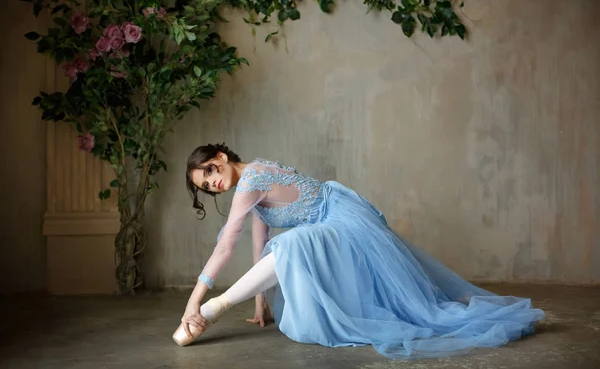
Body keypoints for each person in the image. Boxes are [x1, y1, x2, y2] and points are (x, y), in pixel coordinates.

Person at [173, 143, 545, 359]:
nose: (213, 183)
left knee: (293, 242)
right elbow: (259, 238)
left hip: (341, 218)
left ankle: (211, 310)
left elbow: (226, 244)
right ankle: (217, 308)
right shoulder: (249, 183)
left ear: (220, 156)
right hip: (329, 222)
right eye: (207, 185)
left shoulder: (251, 177)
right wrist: (261, 303)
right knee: (282, 244)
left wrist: (193, 300)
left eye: (210, 172)